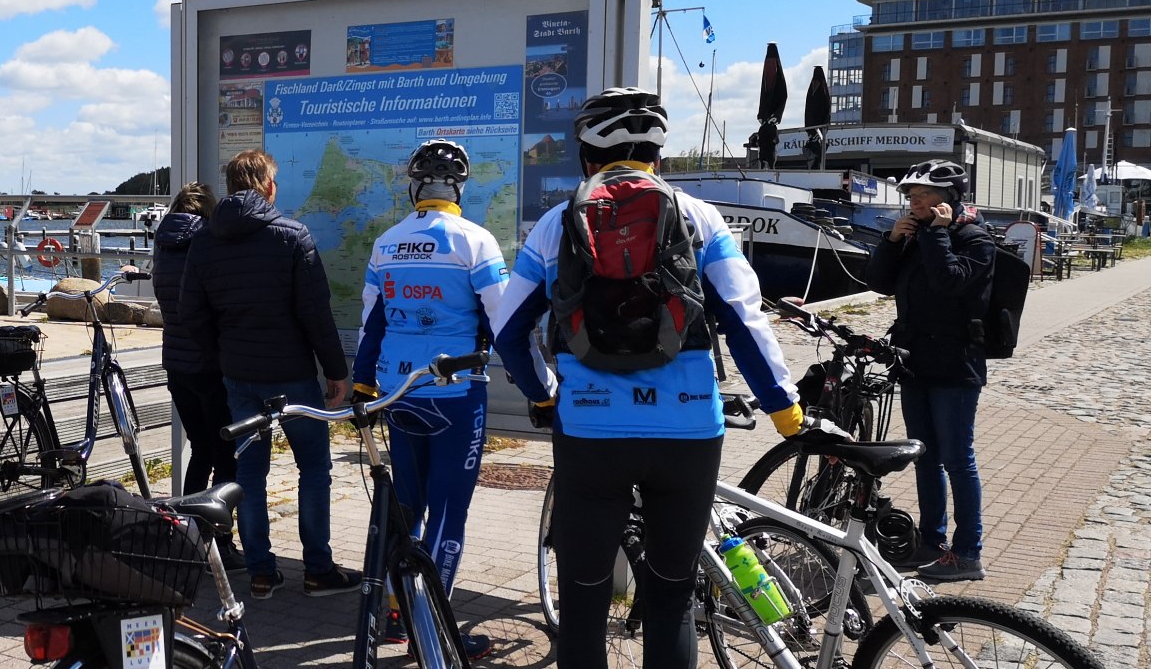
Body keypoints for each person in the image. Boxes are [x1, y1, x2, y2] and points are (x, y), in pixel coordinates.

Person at [499, 87, 810, 669]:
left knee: (585, 598)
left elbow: (509, 333)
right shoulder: (703, 217)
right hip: (688, 432)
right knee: (671, 596)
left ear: (585, 157)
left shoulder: (553, 224)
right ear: (658, 155)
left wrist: (544, 399)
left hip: (590, 429)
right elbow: (745, 321)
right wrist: (784, 411)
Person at [350, 139, 514, 659]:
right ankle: (436, 632)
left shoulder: (386, 243)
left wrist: (361, 386)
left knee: (406, 506)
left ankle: (399, 615)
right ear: (459, 188)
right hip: (456, 395)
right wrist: (543, 388)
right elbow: (502, 320)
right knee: (448, 514)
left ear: (415, 187)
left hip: (399, 391)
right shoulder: (476, 241)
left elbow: (370, 324)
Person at [178, 149, 361, 600]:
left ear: (230, 187)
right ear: (269, 186)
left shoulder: (205, 241)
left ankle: (261, 571)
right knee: (314, 469)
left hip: (239, 377)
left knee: (250, 473)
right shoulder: (292, 236)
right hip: (294, 377)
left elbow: (190, 314)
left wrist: (222, 354)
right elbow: (316, 313)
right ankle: (318, 569)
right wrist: (336, 372)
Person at [861, 159, 995, 582]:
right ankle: (932, 542)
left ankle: (968, 553)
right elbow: (878, 284)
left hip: (955, 369)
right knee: (926, 459)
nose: (914, 202)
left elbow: (948, 282)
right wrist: (890, 241)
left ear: (948, 199)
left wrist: (936, 233)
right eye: (911, 197)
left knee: (957, 459)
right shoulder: (915, 238)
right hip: (915, 364)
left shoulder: (976, 241)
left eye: (923, 196)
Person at [153, 181, 245, 571]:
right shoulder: (205, 247)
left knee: (200, 449)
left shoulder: (162, 248)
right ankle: (221, 541)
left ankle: (190, 534)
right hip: (210, 365)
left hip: (176, 364)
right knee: (224, 454)